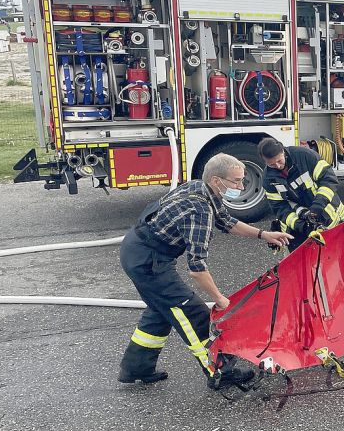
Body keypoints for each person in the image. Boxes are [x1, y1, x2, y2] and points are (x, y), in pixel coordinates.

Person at [118, 154, 293, 388]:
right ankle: (220, 372)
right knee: (192, 312)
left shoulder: (200, 188)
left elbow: (226, 221)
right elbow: (197, 268)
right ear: (216, 180)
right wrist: (220, 299)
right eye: (236, 181)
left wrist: (264, 235)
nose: (241, 187)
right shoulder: (199, 211)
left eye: (242, 181)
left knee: (161, 310)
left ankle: (136, 367)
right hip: (147, 261)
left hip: (139, 250)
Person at [259, 137, 344, 254]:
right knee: (303, 263)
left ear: (283, 152)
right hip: (298, 227)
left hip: (329, 216)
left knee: (336, 256)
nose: (278, 166)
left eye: (279, 161)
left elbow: (328, 180)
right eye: (272, 165)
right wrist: (302, 226)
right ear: (265, 162)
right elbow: (279, 208)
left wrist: (317, 208)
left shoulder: (305, 156)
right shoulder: (268, 179)